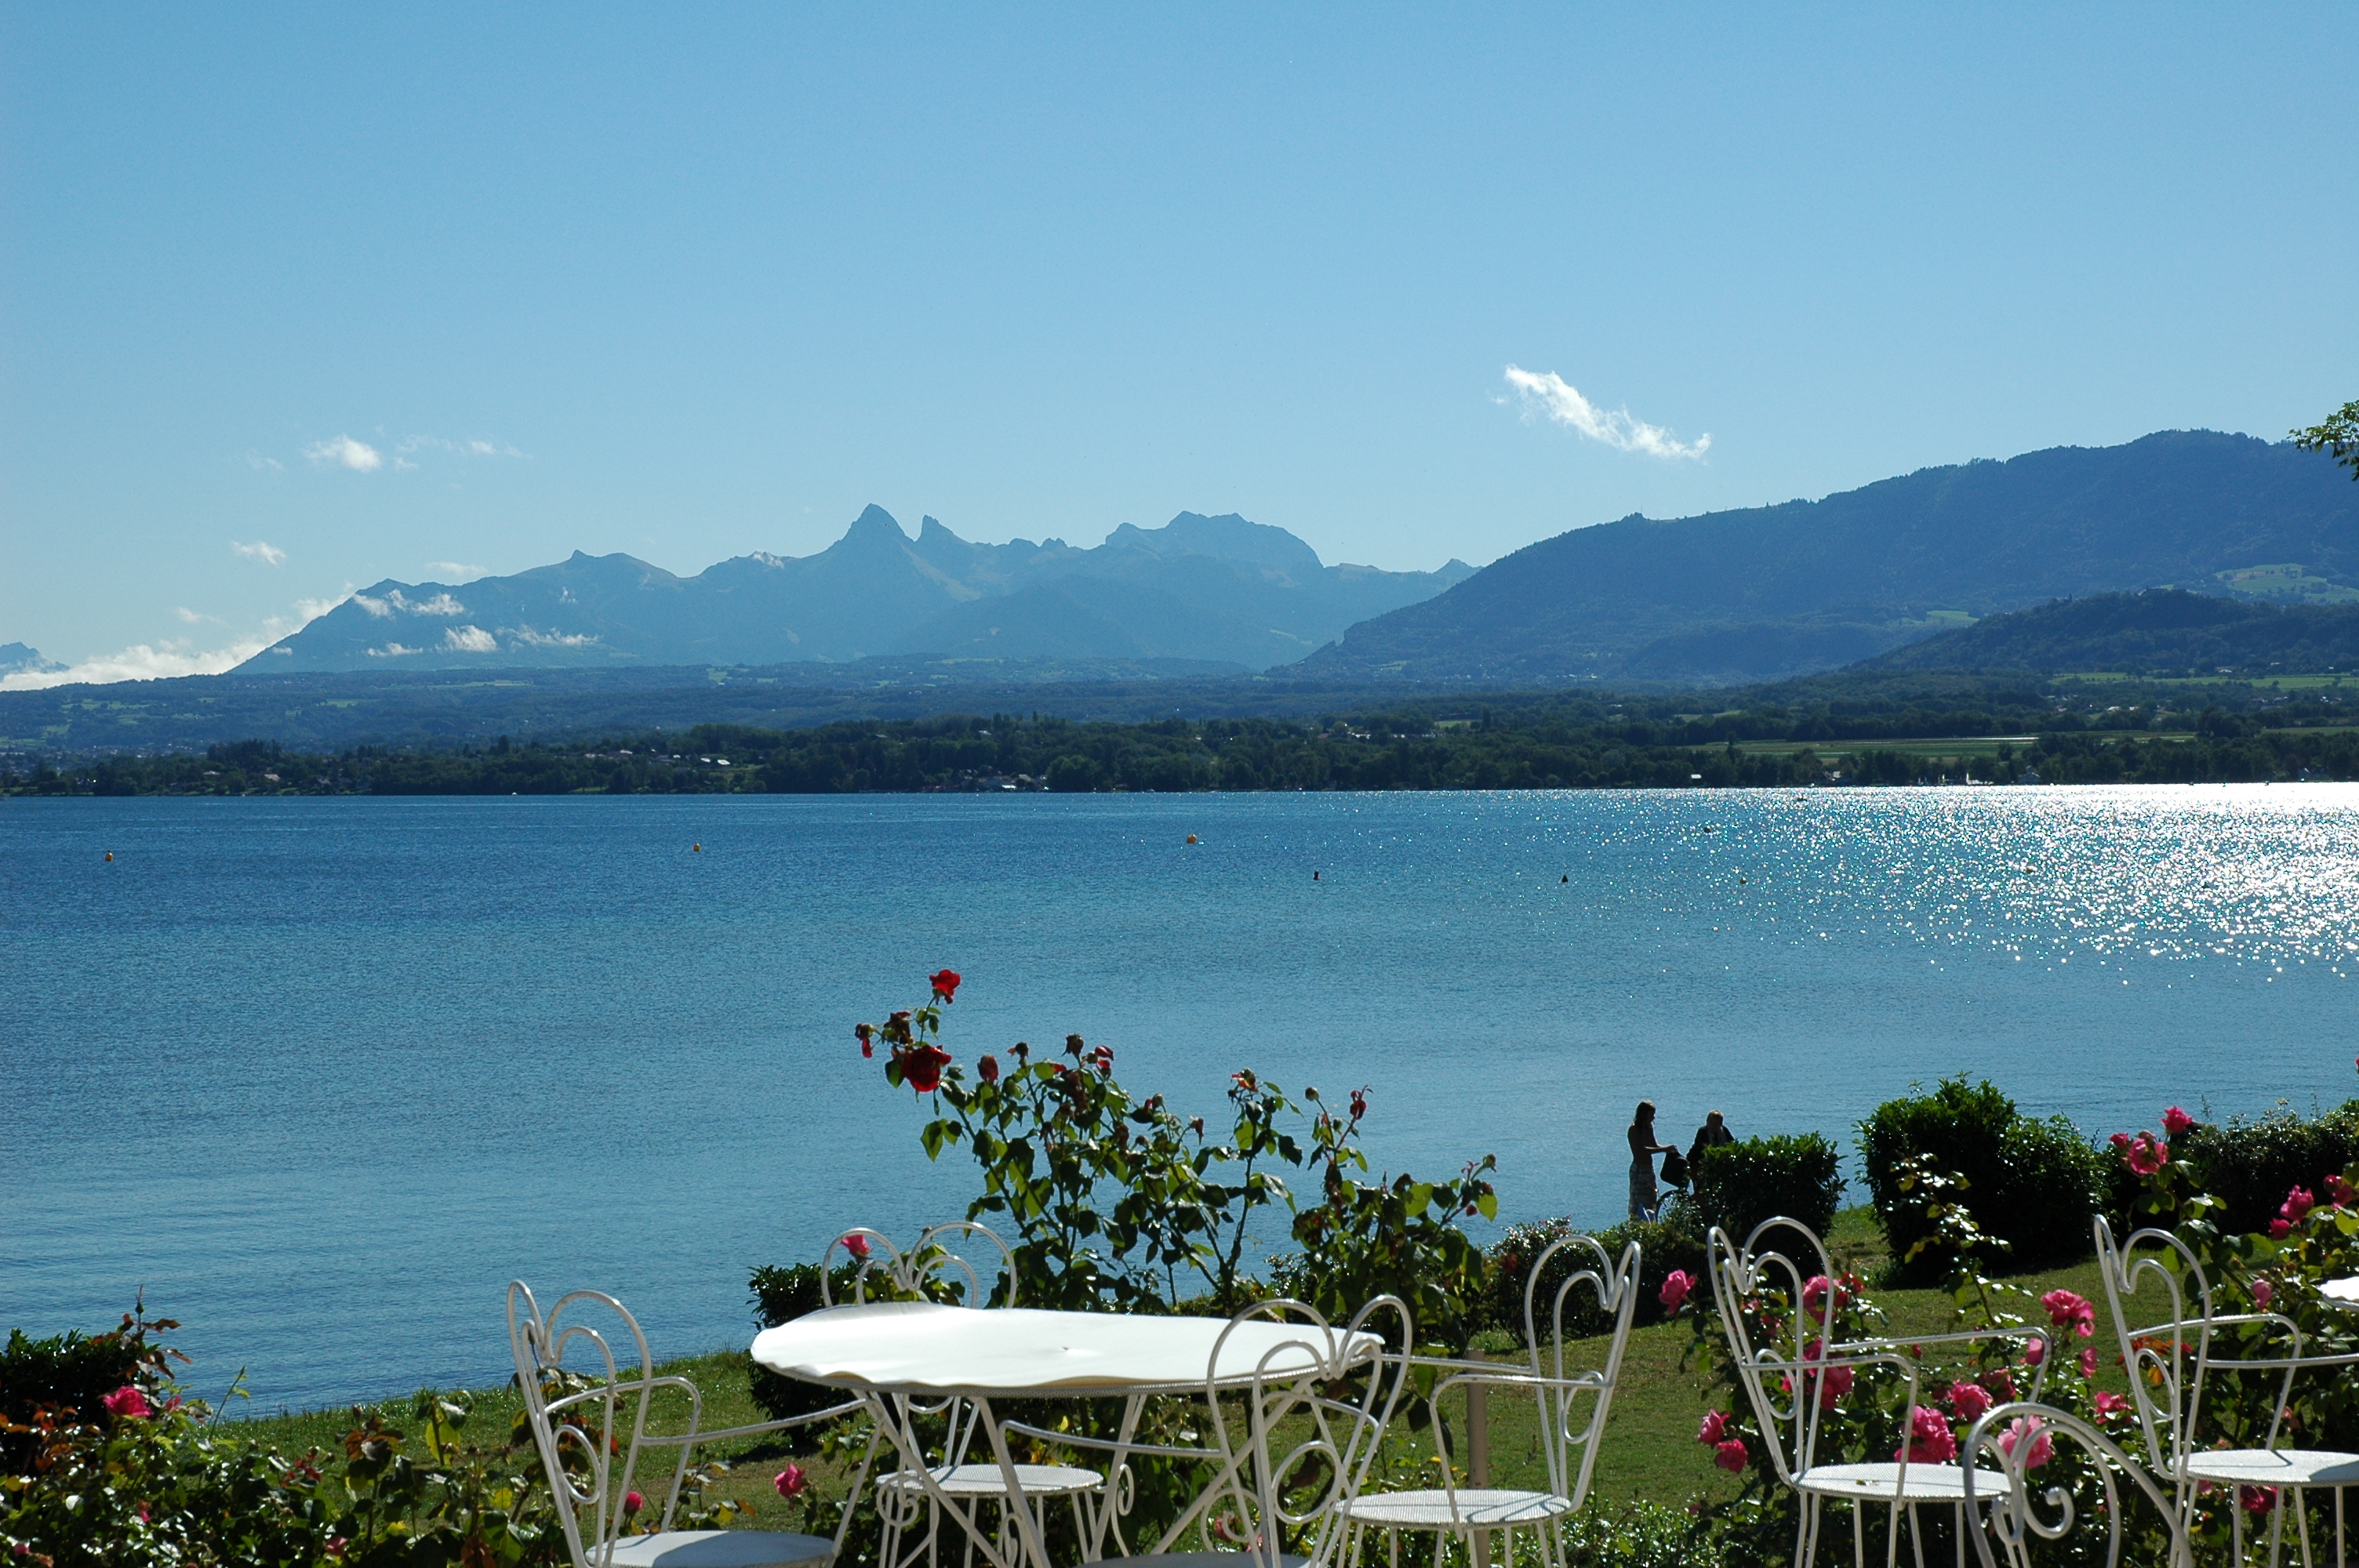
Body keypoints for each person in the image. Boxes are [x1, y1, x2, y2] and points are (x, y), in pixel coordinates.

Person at [1627, 1101, 1677, 1221]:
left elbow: (1653, 1145)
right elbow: (1641, 1150)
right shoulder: (1634, 1130)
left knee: (1651, 1199)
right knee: (1638, 1201)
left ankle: (1650, 1223)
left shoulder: (1648, 1128)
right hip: (1639, 1170)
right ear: (1643, 1114)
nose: (1653, 1117)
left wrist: (1667, 1149)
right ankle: (1637, 1225)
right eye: (1651, 1114)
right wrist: (1664, 1149)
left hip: (1649, 1169)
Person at [1688, 1109, 1735, 1175]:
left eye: (1715, 1124)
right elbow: (1703, 1148)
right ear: (1707, 1121)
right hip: (1699, 1161)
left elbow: (1732, 1144)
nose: (1712, 1126)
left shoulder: (1724, 1131)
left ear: (1720, 1124)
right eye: (1710, 1123)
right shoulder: (1702, 1131)